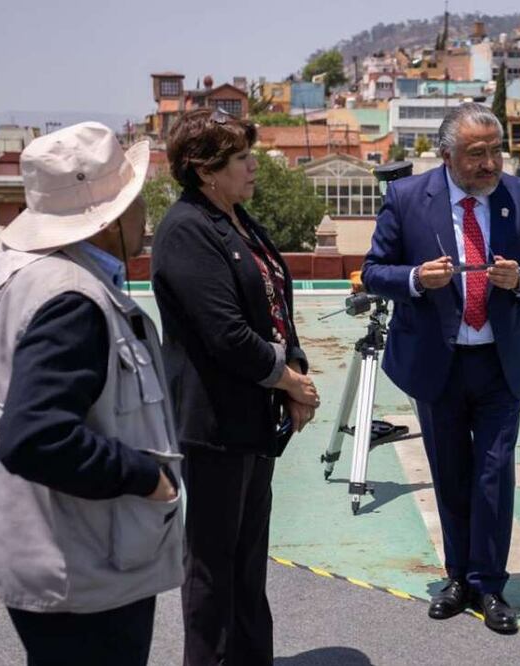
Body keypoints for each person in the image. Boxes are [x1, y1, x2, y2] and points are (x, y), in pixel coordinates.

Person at [0, 122, 182, 666]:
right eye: (133, 201)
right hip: (83, 570)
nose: (143, 213)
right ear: (107, 222)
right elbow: (36, 437)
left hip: (41, 549)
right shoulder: (73, 300)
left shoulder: (20, 270)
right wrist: (146, 477)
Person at [362, 102, 520, 635]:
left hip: (501, 363)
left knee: (493, 473)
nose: (490, 164)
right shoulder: (407, 198)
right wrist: (415, 279)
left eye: (496, 151)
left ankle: (490, 584)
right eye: (477, 154)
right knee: (450, 471)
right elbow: (373, 271)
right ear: (447, 155)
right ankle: (457, 579)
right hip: (438, 363)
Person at [151, 107, 318, 666]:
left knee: (247, 560)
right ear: (205, 171)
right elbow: (226, 333)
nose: (254, 167)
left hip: (251, 420)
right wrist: (291, 382)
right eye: (242, 159)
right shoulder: (186, 229)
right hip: (214, 425)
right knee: (212, 567)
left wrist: (295, 368)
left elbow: (274, 303)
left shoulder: (237, 218)